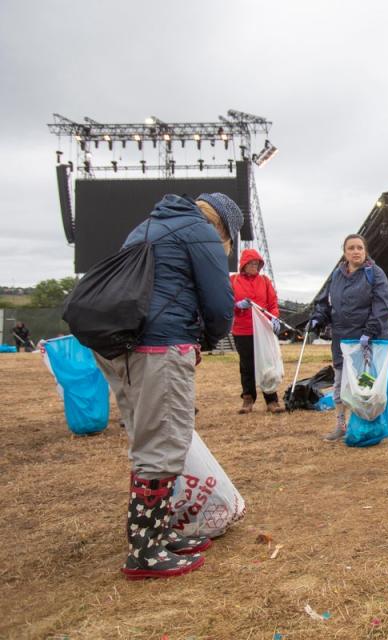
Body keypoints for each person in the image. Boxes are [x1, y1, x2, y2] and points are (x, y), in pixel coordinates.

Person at [93, 192, 238, 579]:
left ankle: (159, 532)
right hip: (160, 345)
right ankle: (145, 552)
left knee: (148, 440)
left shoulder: (149, 225)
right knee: (163, 444)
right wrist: (205, 339)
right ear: (223, 227)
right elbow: (220, 304)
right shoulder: (201, 234)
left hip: (124, 346)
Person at [308, 234, 388, 441]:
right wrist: (318, 317)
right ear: (344, 252)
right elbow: (325, 302)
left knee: (365, 387)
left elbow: (383, 304)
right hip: (342, 342)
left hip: (366, 343)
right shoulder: (337, 275)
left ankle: (367, 427)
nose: (355, 251)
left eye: (359, 248)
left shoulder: (374, 273)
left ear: (365, 251)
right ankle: (341, 425)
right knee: (339, 386)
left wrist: (370, 331)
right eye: (351, 248)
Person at [231, 248, 283, 414]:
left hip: (263, 329)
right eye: (251, 263)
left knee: (267, 364)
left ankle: (271, 400)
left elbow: (273, 303)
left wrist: (274, 318)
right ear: (243, 265)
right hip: (242, 330)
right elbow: (226, 303)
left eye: (257, 263)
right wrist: (237, 306)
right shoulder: (233, 281)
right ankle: (248, 398)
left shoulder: (265, 281)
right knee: (246, 365)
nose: (254, 266)